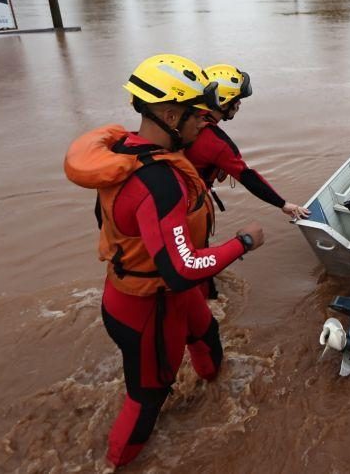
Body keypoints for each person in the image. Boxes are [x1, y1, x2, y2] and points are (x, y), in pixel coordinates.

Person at [64, 54, 266, 468]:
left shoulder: (126, 150)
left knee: (207, 334)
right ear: (172, 114)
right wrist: (242, 242)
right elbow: (181, 269)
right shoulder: (158, 181)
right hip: (147, 307)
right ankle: (117, 463)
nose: (204, 124)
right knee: (148, 396)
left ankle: (215, 392)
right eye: (198, 117)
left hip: (160, 295)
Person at [185, 63, 310, 221]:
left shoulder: (183, 121)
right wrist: (283, 204)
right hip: (189, 209)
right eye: (236, 100)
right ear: (223, 103)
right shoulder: (218, 143)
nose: (239, 104)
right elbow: (247, 177)